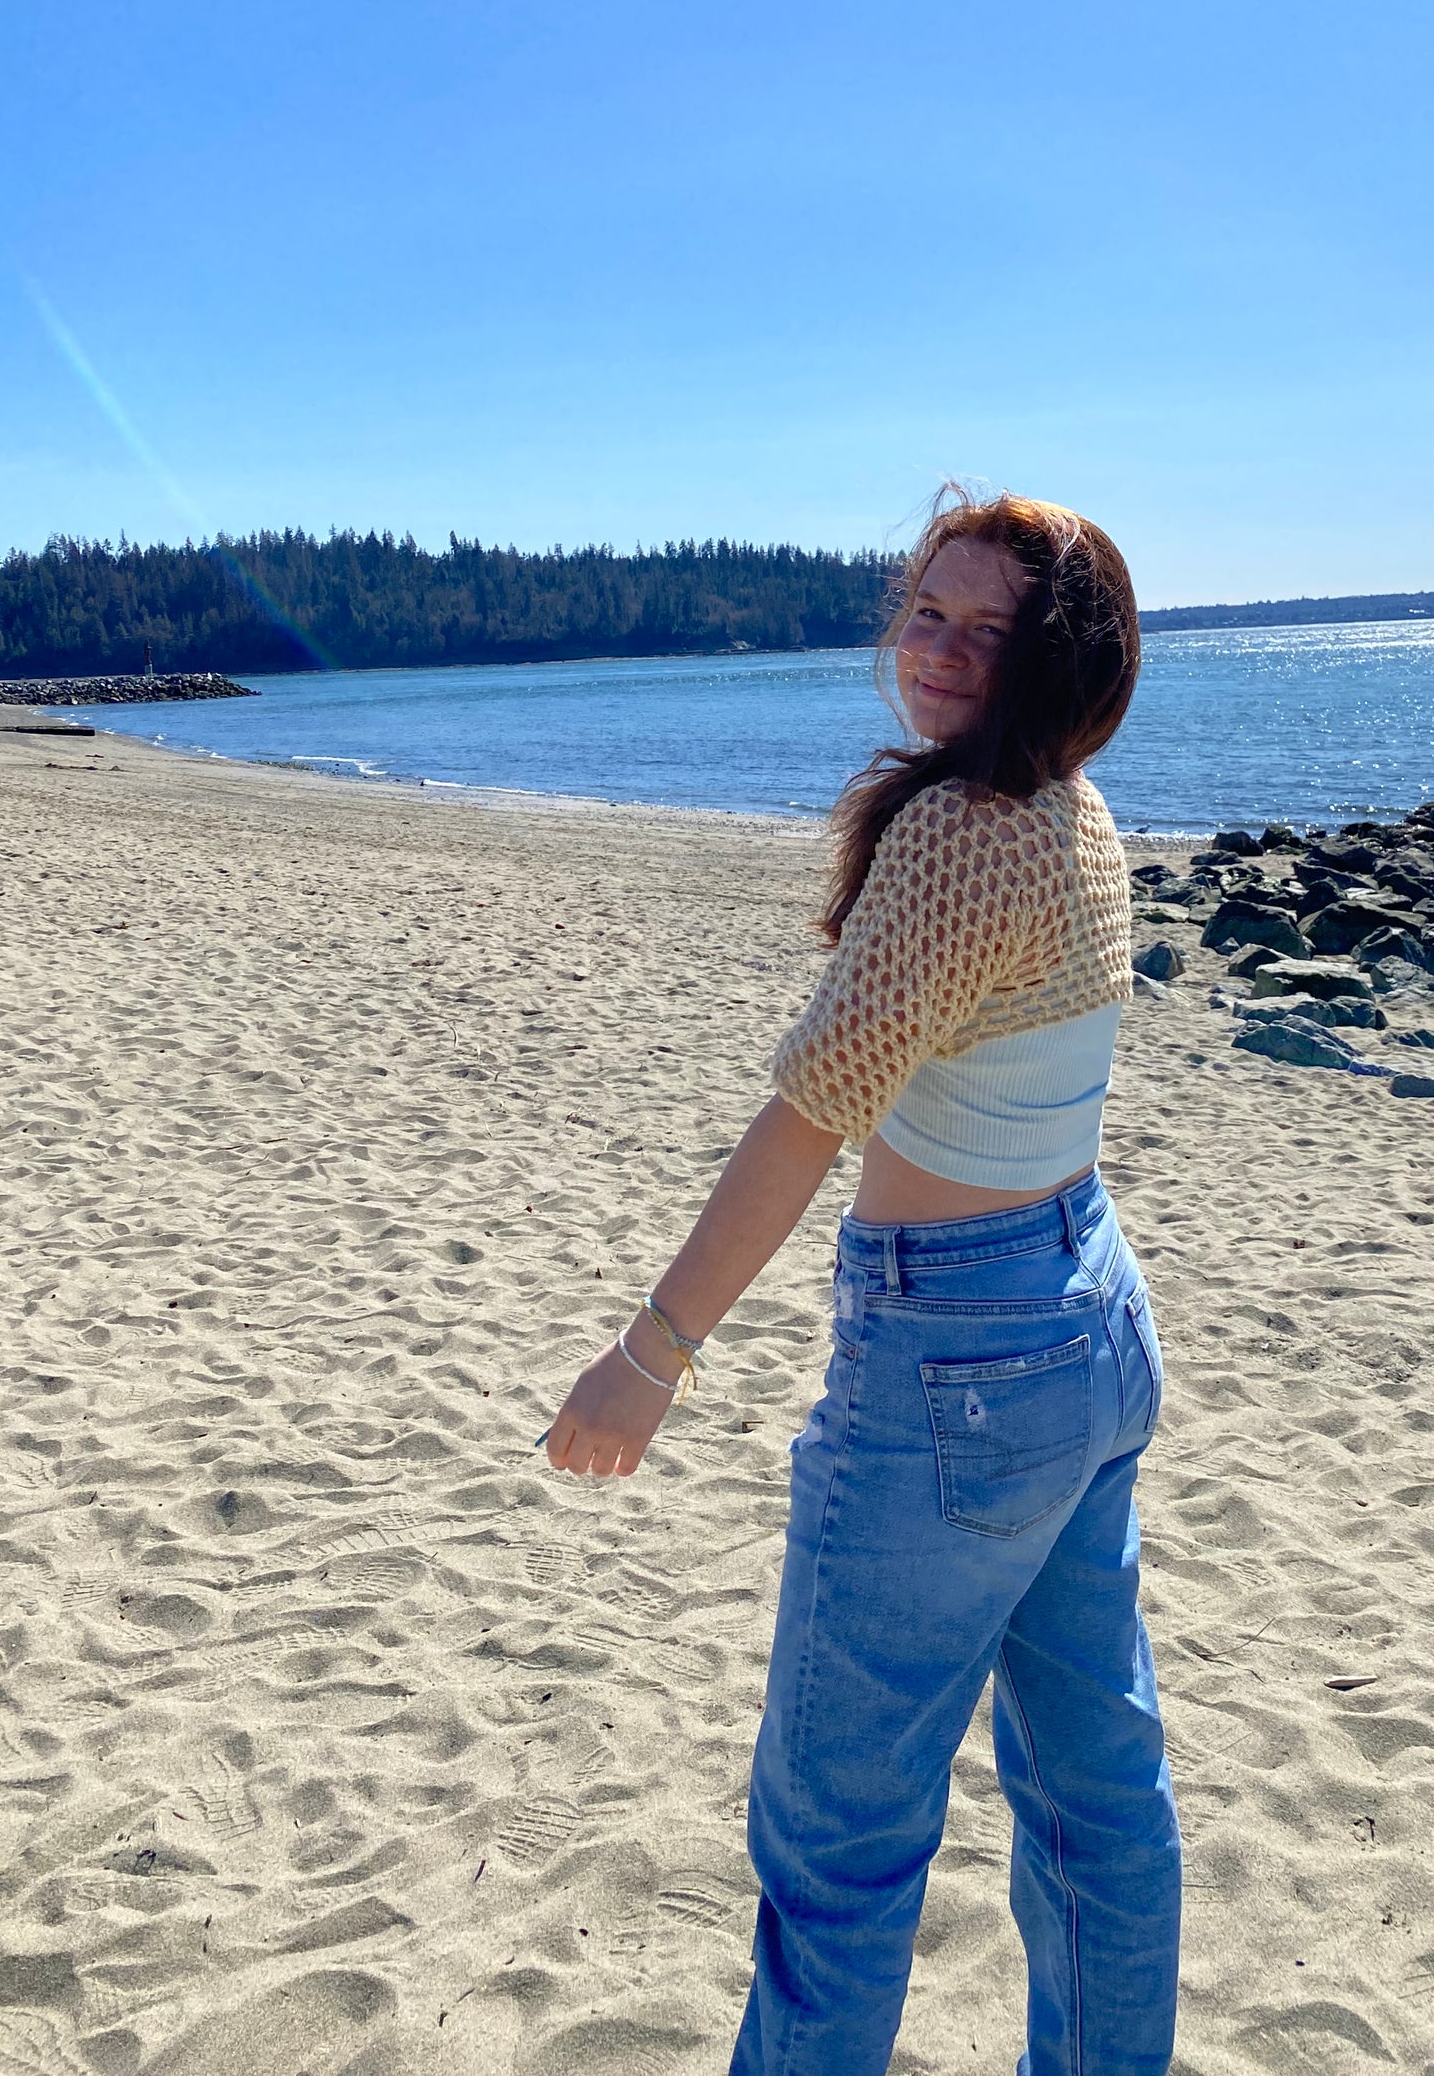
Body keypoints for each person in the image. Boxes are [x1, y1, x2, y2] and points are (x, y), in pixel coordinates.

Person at [544, 489, 1180, 2076]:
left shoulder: (962, 834)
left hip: (957, 1356)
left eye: (989, 631)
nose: (941, 653)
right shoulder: (1072, 807)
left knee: (839, 1845)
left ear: (1059, 656)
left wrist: (652, 1352)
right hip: (1087, 1312)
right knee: (1096, 1801)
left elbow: (809, 1119)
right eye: (926, 615)